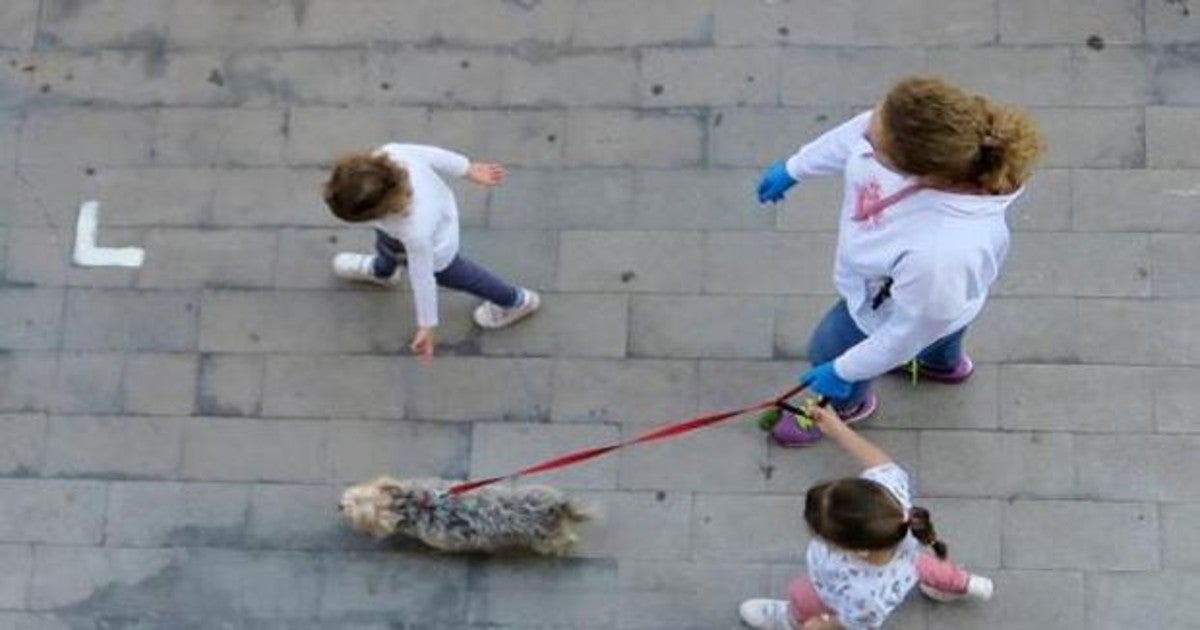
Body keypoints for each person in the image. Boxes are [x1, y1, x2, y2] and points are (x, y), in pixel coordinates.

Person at [757, 75, 1044, 445]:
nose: (866, 132)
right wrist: (797, 167)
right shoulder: (921, 140)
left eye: (874, 142)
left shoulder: (942, 255)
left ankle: (845, 407)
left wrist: (843, 369)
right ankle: (940, 366)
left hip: (888, 308)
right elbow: (858, 131)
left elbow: (908, 330)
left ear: (915, 170)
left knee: (827, 350)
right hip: (945, 306)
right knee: (942, 334)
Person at [739, 403, 993, 629]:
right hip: (905, 562)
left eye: (821, 532)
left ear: (855, 549)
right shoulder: (894, 504)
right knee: (926, 567)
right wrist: (838, 429)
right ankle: (965, 584)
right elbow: (880, 463)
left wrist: (823, 625)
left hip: (829, 590)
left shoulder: (865, 596)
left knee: (802, 596)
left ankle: (790, 618)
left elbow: (854, 623)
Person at [323, 143, 540, 363]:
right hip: (408, 232)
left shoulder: (414, 231)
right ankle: (383, 272)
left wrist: (427, 324)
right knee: (387, 246)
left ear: (378, 212)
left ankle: (516, 301)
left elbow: (423, 276)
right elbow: (431, 154)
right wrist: (466, 168)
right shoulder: (389, 153)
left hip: (438, 252)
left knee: (465, 277)